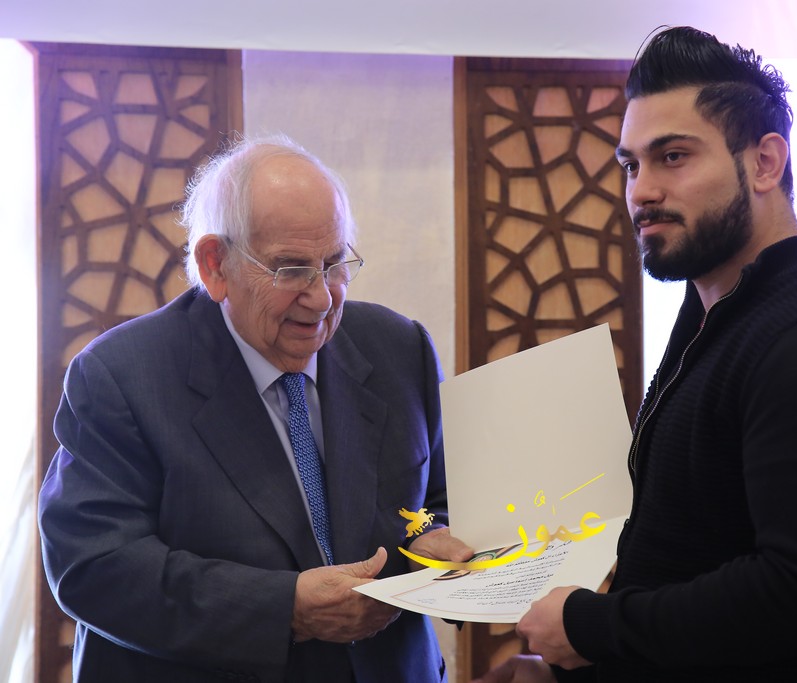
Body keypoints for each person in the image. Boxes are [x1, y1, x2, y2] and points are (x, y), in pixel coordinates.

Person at [474, 26, 797, 683]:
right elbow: (691, 558)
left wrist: (591, 628)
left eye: (673, 156)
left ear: (765, 162)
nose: (641, 191)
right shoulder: (721, 316)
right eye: (631, 165)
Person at [38, 135, 472, 682]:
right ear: (215, 265)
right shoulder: (121, 376)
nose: (321, 297)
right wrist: (284, 608)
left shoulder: (399, 348)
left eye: (334, 264)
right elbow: (93, 566)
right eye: (291, 269)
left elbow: (438, 501)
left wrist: (433, 541)